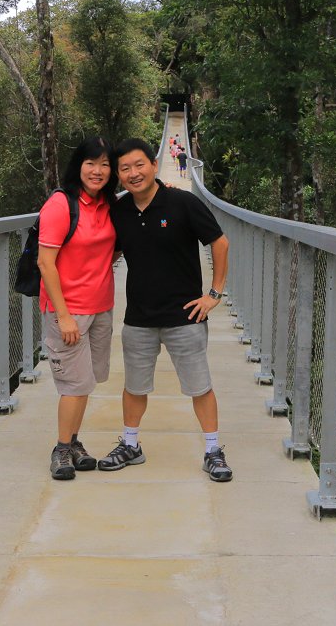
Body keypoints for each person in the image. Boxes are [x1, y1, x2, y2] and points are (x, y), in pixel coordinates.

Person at [97, 138, 234, 481]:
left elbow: (220, 242)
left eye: (139, 165)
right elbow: (108, 250)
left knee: (199, 386)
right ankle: (131, 445)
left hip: (185, 315)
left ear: (155, 165)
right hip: (139, 317)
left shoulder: (183, 202)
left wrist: (214, 294)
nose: (133, 173)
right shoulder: (118, 211)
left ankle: (213, 450)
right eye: (125, 168)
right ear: (118, 175)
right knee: (134, 386)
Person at [37, 135, 117, 480]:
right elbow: (45, 263)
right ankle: (61, 449)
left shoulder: (108, 205)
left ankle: (73, 441)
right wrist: (64, 314)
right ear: (78, 166)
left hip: (101, 306)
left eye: (104, 164)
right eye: (90, 163)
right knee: (73, 385)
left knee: (86, 381)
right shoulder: (60, 204)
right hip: (67, 311)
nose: (97, 171)